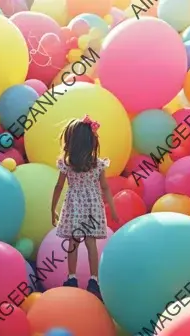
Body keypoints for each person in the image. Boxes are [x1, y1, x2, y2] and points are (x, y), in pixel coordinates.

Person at [50, 114, 120, 301]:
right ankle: (94, 280)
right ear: (91, 142)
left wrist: (53, 208)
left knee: (73, 242)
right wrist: (112, 209)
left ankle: (72, 277)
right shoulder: (97, 164)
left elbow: (59, 186)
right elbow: (104, 187)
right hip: (92, 205)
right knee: (90, 243)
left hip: (74, 204)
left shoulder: (67, 164)